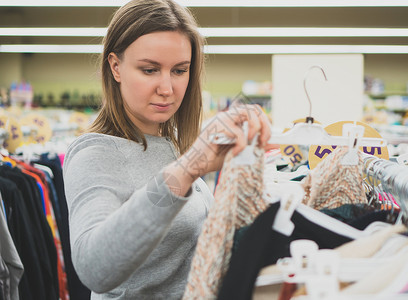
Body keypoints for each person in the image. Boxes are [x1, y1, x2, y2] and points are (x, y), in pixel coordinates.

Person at [63, 0, 272, 299]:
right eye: (149, 70)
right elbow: (94, 268)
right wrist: (188, 169)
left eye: (179, 70)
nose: (167, 88)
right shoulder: (94, 154)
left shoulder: (169, 140)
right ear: (116, 67)